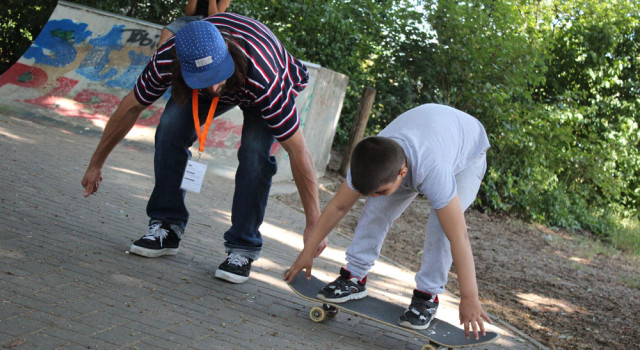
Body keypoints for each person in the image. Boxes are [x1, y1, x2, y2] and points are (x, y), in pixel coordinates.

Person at [82, 15, 326, 284]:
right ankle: (167, 225)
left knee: (254, 155)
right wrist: (96, 163)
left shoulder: (266, 80)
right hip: (217, 74)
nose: (212, 87)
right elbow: (131, 106)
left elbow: (298, 151)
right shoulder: (168, 58)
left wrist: (314, 224)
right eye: (201, 78)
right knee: (170, 127)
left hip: (258, 77)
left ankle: (242, 248)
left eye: (215, 75)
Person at [284, 104, 492, 339]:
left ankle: (427, 296)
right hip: (428, 136)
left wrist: (469, 297)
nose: (375, 195)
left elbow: (459, 236)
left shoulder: (434, 170)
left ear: (402, 174)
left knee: (442, 226)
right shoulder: (370, 159)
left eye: (381, 190)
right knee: (376, 210)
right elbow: (339, 206)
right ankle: (354, 276)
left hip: (467, 151)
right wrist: (307, 251)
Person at [158, 0, 231, 48]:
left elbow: (215, 18)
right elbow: (189, 13)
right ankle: (156, 60)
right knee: (167, 31)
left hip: (210, 23)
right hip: (192, 19)